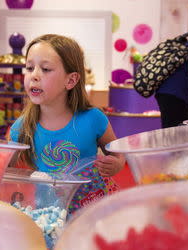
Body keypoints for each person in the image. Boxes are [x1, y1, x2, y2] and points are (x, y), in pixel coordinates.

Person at [8, 34, 125, 213]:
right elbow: (4, 172)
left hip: (92, 210)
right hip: (50, 215)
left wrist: (116, 164)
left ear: (70, 80)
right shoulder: (21, 127)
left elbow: (118, 155)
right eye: (30, 68)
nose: (34, 75)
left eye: (45, 69)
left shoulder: (94, 119)